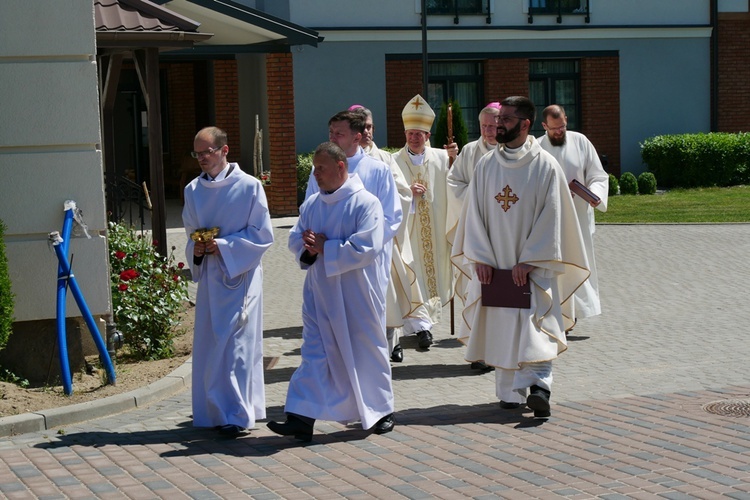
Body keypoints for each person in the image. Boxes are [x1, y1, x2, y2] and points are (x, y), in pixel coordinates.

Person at [450, 97, 589, 418]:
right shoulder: (486, 165)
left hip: (532, 266)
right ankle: (511, 393)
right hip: (495, 265)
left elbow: (553, 216)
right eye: (499, 119)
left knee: (535, 323)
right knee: (501, 325)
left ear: (525, 125)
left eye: (507, 120)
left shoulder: (545, 166)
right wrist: (480, 258)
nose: (499, 125)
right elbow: (474, 215)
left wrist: (532, 259)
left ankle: (540, 385)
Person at [267, 142, 395, 441]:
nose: (315, 174)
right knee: (314, 352)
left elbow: (368, 247)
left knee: (366, 351)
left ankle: (383, 410)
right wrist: (308, 247)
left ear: (340, 167)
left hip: (356, 293)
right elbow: (296, 240)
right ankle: (300, 417)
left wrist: (327, 247)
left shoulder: (366, 203)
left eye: (320, 168)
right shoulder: (312, 204)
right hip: (320, 292)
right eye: (314, 168)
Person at [182, 126, 274, 437]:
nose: (202, 158)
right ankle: (214, 411)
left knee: (238, 345)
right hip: (210, 278)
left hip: (241, 275)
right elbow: (190, 233)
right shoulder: (192, 191)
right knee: (212, 347)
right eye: (197, 153)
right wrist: (195, 249)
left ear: (225, 150)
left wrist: (221, 246)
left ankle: (237, 414)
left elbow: (262, 235)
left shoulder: (249, 187)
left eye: (207, 152)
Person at [305, 110, 404, 362]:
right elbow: (309, 209)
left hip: (366, 265)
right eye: (331, 133)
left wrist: (358, 248)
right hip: (326, 262)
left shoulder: (378, 170)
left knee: (365, 329)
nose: (333, 138)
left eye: (339, 134)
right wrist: (316, 244)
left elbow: (391, 217)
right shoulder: (320, 169)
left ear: (357, 138)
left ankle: (369, 377)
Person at [348, 105, 414, 363]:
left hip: (381, 241)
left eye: (369, 126)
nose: (366, 131)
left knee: (387, 294)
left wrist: (380, 219)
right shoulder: (340, 158)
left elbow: (403, 195)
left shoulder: (384, 160)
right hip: (350, 243)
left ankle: (391, 343)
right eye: (361, 127)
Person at [392, 94, 455, 350]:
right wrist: (407, 192)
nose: (414, 138)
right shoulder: (394, 161)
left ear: (428, 136)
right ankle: (421, 328)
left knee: (433, 275)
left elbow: (455, 186)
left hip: (436, 230)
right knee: (412, 274)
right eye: (410, 133)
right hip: (408, 231)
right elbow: (391, 192)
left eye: (419, 134)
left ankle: (424, 324)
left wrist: (455, 161)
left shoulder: (441, 158)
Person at [538, 104, 609, 323]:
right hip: (550, 218)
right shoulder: (537, 148)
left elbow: (598, 176)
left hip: (578, 215)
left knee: (579, 261)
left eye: (563, 127)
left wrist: (594, 194)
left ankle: (576, 311)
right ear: (544, 126)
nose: (560, 132)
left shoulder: (581, 142)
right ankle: (555, 310)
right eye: (554, 128)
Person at [446, 102, 502, 243]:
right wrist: (477, 197)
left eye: (492, 126)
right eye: (484, 126)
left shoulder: (512, 152)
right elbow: (453, 182)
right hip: (475, 220)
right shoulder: (470, 151)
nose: (487, 131)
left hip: (504, 217)